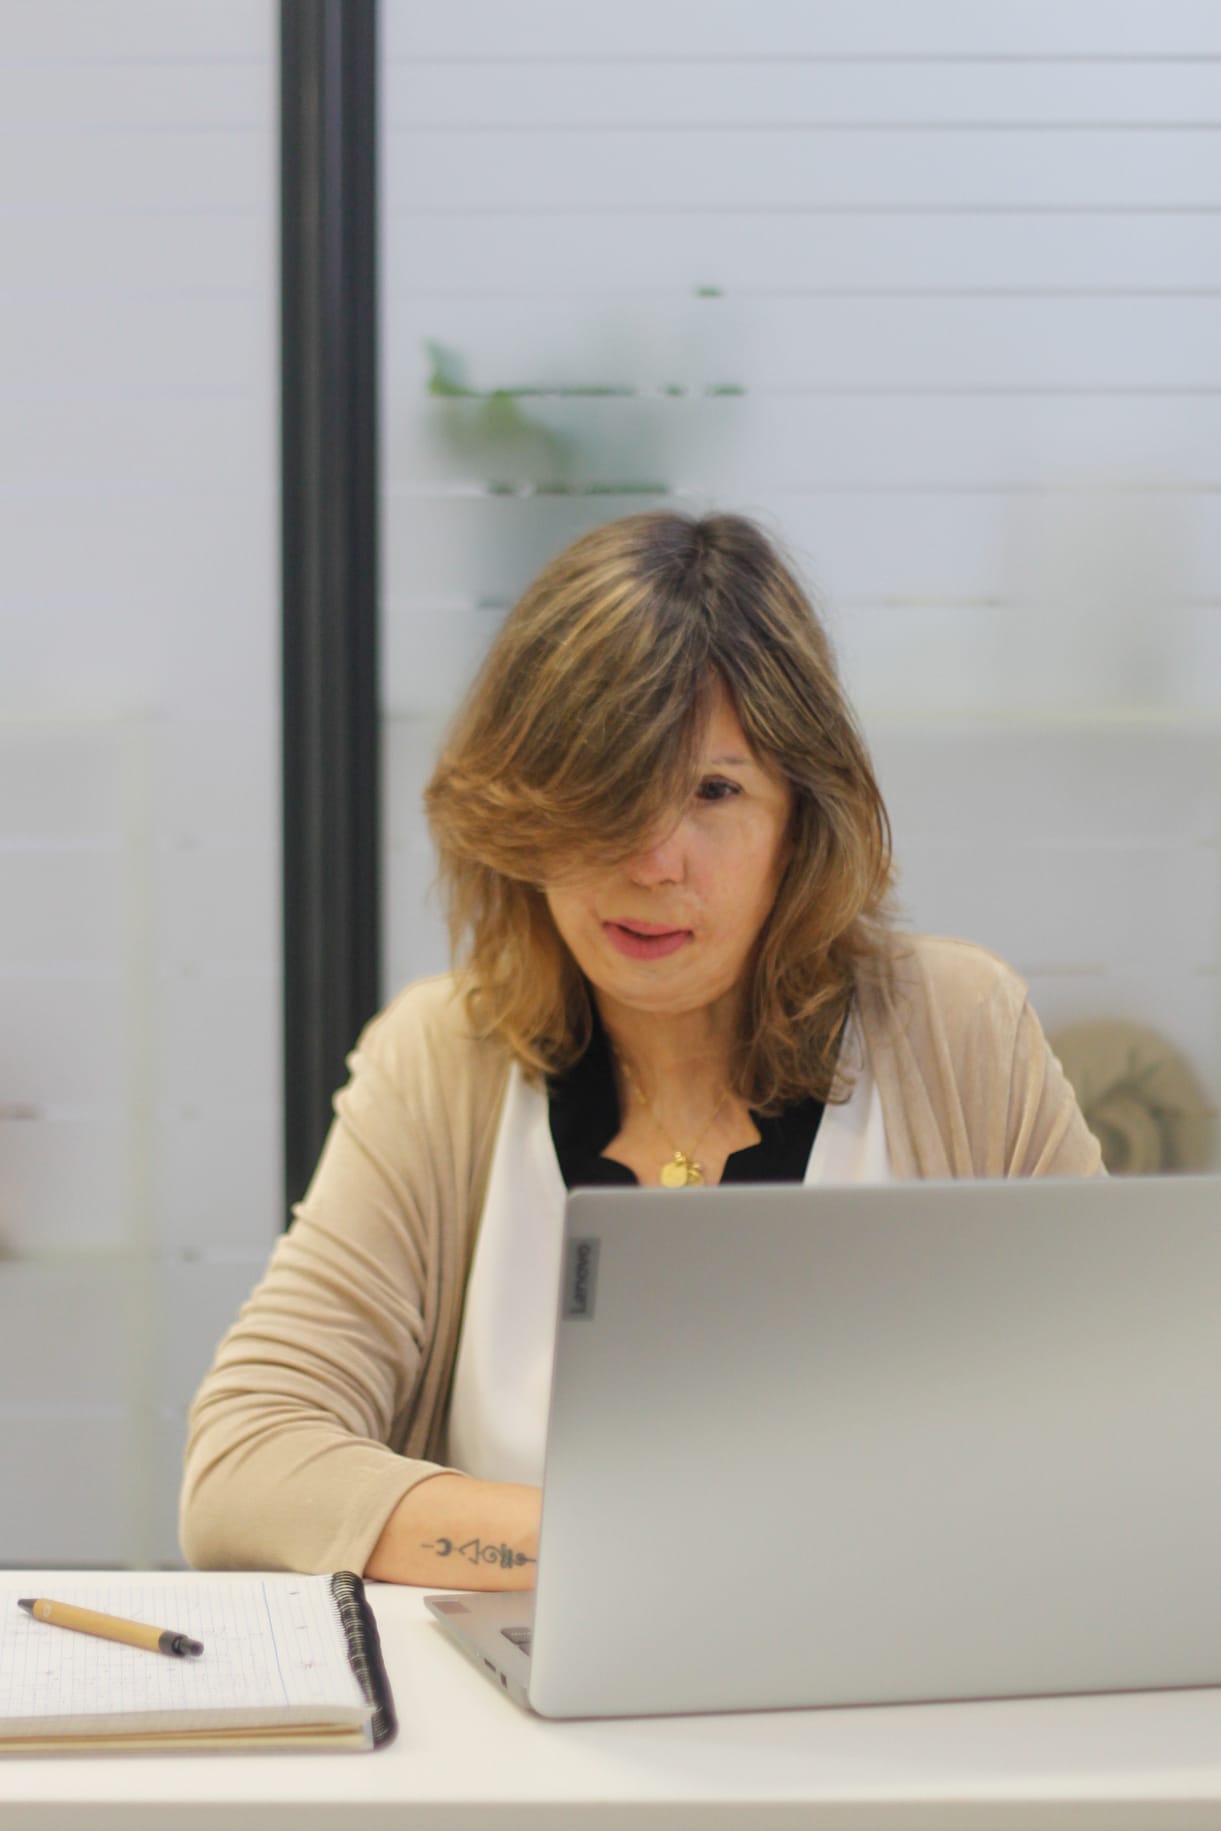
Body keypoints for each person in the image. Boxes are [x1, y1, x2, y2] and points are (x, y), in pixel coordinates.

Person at [180, 511, 1102, 1589]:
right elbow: (245, 1464)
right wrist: (626, 1550)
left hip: (897, 1684)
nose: (655, 860)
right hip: (524, 1696)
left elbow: (1122, 1426)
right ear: (525, 813)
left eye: (714, 791)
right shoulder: (441, 1060)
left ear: (800, 818)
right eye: (607, 788)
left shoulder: (956, 1030)